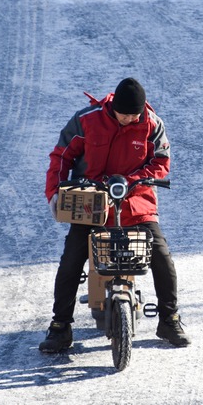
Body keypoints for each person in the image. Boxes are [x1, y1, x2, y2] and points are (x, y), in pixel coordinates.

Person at [39, 78, 190, 352]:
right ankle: (60, 326)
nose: (129, 119)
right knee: (72, 259)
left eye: (134, 115)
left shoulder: (152, 124)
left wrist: (132, 180)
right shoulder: (87, 120)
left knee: (161, 255)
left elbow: (161, 161)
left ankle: (170, 319)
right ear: (113, 108)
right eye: (124, 115)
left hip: (135, 200)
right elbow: (61, 156)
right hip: (91, 202)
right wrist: (55, 193)